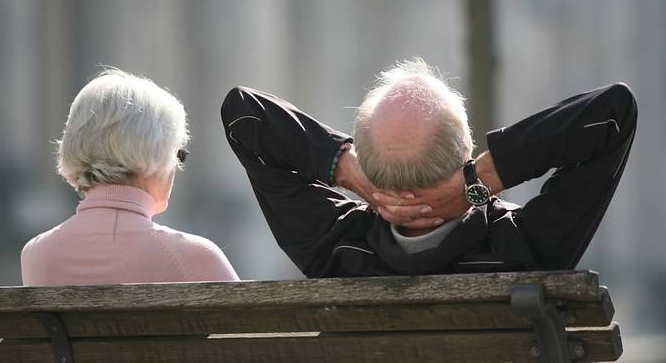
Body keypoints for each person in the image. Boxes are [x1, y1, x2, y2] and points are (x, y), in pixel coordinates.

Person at [221, 58, 637, 278]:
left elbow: (245, 117)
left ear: (370, 166)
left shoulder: (333, 249)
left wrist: (348, 172)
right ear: (467, 148)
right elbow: (613, 113)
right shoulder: (525, 246)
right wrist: (479, 182)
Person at [21, 69, 239, 285]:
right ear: (156, 152)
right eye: (178, 154)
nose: (177, 168)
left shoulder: (37, 253)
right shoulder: (196, 256)